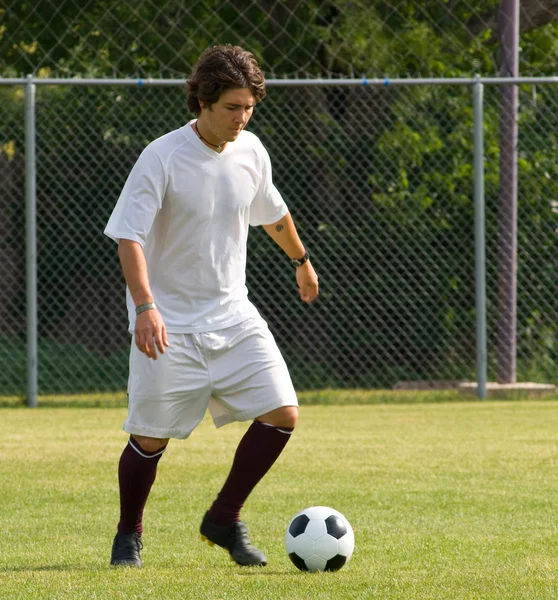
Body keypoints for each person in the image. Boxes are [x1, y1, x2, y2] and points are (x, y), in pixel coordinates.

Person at [104, 44, 319, 568]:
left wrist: (302, 260)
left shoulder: (252, 152)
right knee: (150, 440)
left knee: (283, 413)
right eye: (232, 107)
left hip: (233, 315)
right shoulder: (162, 155)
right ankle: (128, 534)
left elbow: (272, 212)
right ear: (203, 101)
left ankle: (223, 517)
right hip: (168, 321)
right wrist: (146, 307)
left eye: (249, 107)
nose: (242, 118)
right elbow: (128, 237)